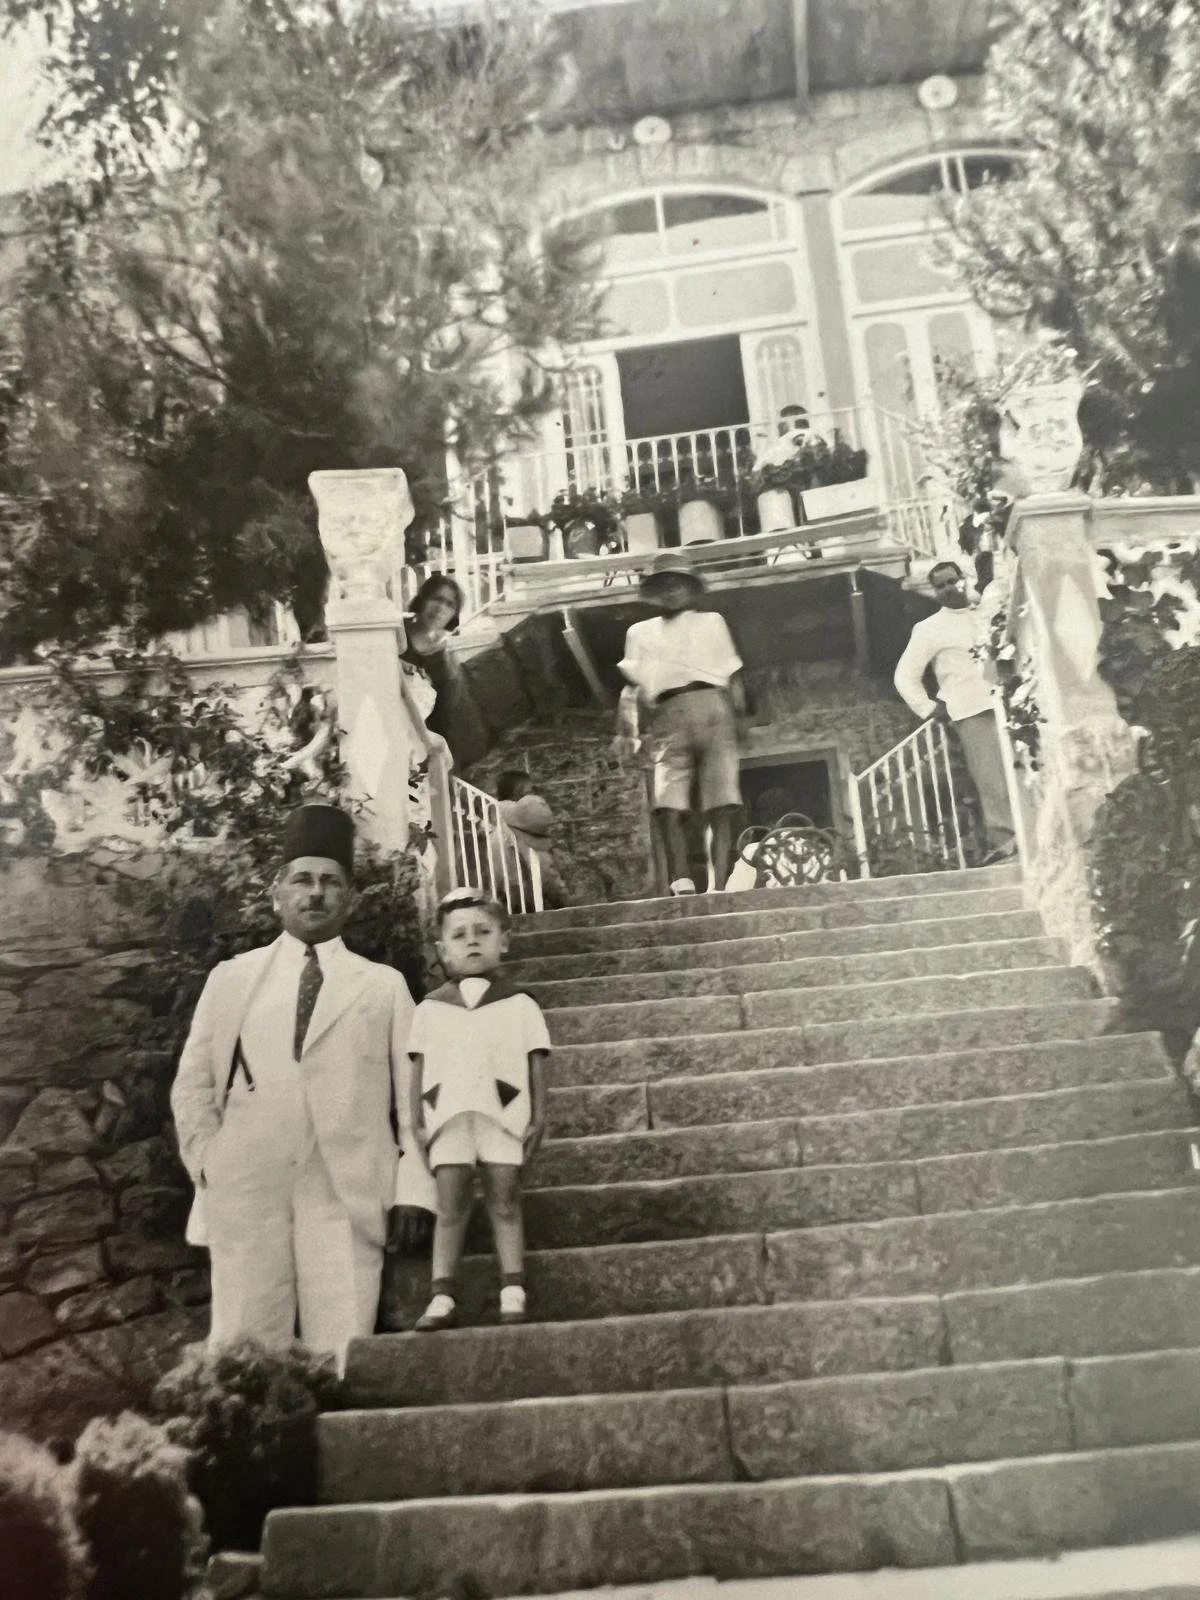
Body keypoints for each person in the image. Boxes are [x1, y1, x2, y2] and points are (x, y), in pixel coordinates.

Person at [170, 803, 418, 1368]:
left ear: (349, 899)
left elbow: (412, 1103)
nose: (316, 893)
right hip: (248, 1187)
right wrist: (210, 1163)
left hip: (345, 1188)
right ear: (277, 893)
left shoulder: (382, 987)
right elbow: (194, 1086)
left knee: (343, 1354)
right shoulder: (232, 979)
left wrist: (412, 1190)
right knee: (244, 1356)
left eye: (331, 882)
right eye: (302, 880)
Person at [409, 887, 551, 1332]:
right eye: (460, 935)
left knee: (504, 1198)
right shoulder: (430, 1008)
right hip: (447, 1112)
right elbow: (419, 1064)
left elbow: (536, 1059)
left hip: (504, 1109)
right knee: (450, 1204)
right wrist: (416, 1117)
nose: (472, 941)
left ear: (503, 940)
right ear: (442, 949)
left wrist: (540, 1114)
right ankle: (442, 1295)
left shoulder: (520, 1003)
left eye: (483, 932)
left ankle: (513, 1287)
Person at [618, 551, 745, 895]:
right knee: (667, 803)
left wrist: (738, 720)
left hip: (713, 708)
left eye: (679, 584)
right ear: (656, 592)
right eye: (665, 585)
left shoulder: (713, 621)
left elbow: (732, 675)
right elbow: (636, 687)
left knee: (720, 802)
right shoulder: (639, 632)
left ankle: (720, 883)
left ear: (691, 588)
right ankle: (682, 878)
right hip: (668, 713)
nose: (672, 591)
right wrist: (633, 730)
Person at [893, 559, 1016, 863]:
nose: (948, 588)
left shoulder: (986, 615)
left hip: (1007, 703)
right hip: (970, 710)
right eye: (941, 585)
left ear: (964, 579)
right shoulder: (929, 629)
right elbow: (904, 676)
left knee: (1021, 769)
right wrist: (930, 708)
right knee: (991, 780)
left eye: (952, 580)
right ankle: (1008, 842)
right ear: (935, 592)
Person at [400, 574, 487, 770]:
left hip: (423, 740)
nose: (440, 608)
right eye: (436, 599)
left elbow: (448, 711)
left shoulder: (446, 653)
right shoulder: (398, 632)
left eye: (450, 604)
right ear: (423, 598)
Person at [495, 769, 574, 910]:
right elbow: (545, 874)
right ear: (518, 791)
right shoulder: (525, 821)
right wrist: (566, 904)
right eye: (530, 790)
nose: (533, 795)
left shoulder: (492, 818)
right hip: (529, 903)